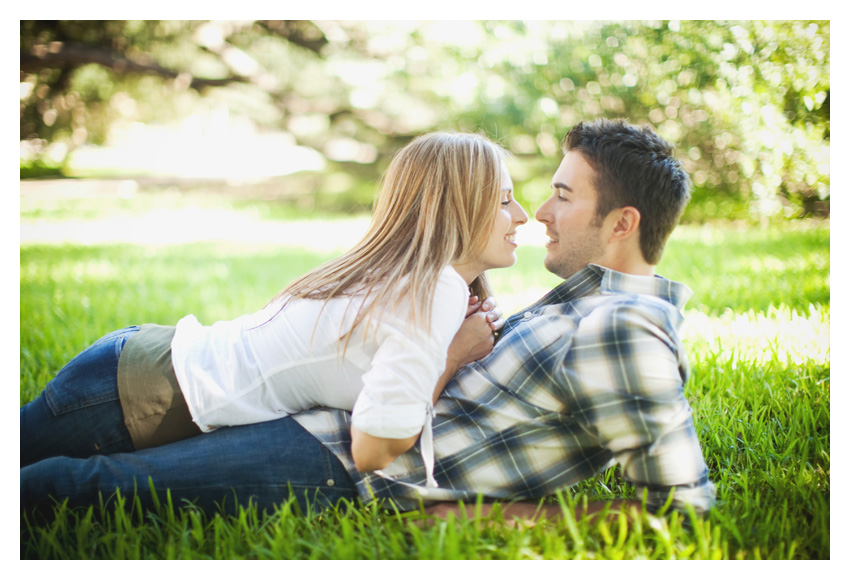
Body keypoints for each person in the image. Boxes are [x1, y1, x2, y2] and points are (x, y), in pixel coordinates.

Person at [21, 119, 715, 519]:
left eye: (560, 196)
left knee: (81, 490)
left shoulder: (625, 330)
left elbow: (680, 507)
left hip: (338, 463)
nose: (535, 214)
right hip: (258, 409)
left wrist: (495, 517)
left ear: (622, 222)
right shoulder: (564, 301)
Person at [20, 131, 528, 493]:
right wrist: (453, 356)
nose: (521, 216)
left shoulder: (416, 279)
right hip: (140, 389)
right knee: (40, 488)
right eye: (504, 200)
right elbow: (373, 451)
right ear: (458, 206)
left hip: (140, 367)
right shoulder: (433, 289)